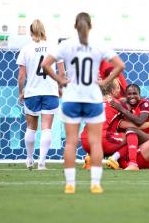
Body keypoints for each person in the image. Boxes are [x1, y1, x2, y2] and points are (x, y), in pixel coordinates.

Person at [42, 12, 125, 194]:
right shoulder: (98, 45)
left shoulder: (66, 45)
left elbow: (46, 64)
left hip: (72, 97)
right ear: (91, 26)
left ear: (74, 26)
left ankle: (70, 184)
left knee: (71, 142)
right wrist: (105, 81)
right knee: (96, 143)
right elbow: (120, 65)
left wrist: (60, 80)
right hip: (93, 98)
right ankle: (95, 184)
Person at [17, 19, 65, 170]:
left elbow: (21, 75)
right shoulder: (54, 48)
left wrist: (21, 92)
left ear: (31, 32)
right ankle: (42, 162)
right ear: (44, 30)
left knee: (31, 127)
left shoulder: (26, 49)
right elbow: (62, 72)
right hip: (50, 91)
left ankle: (29, 159)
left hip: (32, 92)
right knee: (46, 128)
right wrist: (60, 88)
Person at [109, 84, 149, 170]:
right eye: (129, 94)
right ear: (126, 95)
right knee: (125, 137)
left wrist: (122, 109)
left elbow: (139, 121)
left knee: (130, 130)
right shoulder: (126, 105)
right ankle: (114, 158)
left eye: (135, 93)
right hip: (137, 141)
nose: (132, 96)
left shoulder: (145, 104)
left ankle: (133, 163)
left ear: (139, 94)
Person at [81, 80, 126, 169]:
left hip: (85, 140)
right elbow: (131, 118)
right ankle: (114, 159)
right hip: (103, 139)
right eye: (117, 88)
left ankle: (91, 159)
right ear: (112, 90)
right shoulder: (116, 103)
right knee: (131, 135)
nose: (119, 90)